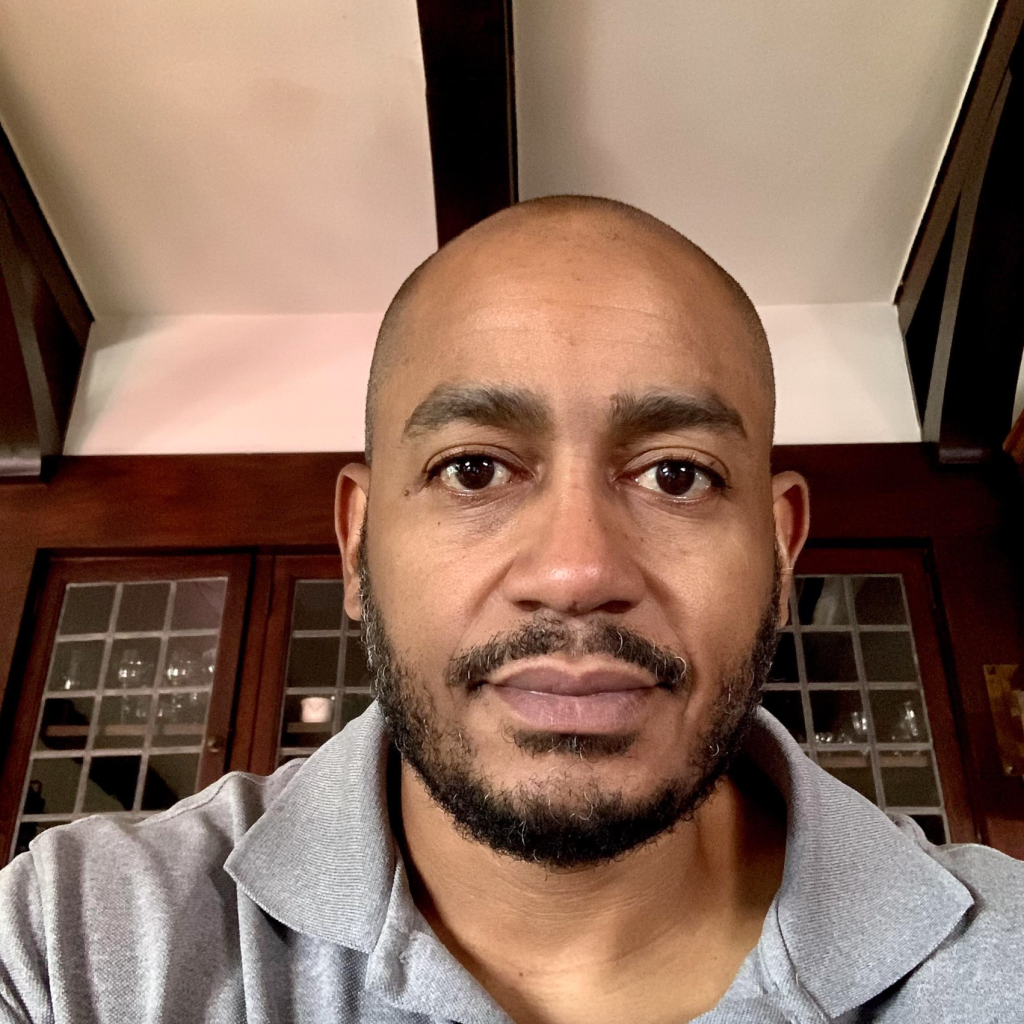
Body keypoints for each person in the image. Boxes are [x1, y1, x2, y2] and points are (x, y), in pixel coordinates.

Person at [1, 196, 1021, 1024]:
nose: (576, 571)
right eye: (474, 467)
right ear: (357, 543)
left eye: (676, 474)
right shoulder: (71, 939)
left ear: (779, 545)